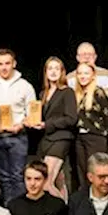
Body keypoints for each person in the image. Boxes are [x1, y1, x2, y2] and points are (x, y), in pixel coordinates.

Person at [0, 49, 35, 204]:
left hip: (17, 137)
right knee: (3, 178)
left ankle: (20, 211)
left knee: (18, 176)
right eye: (0, 64)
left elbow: (33, 113)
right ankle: (8, 210)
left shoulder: (25, 85)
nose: (4, 67)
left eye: (7, 63)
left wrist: (21, 124)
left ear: (14, 63)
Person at [34, 56, 78, 200]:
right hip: (46, 140)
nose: (53, 72)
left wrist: (48, 124)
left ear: (62, 72)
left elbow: (71, 119)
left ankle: (65, 214)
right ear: (45, 72)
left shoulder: (67, 92)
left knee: (46, 183)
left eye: (56, 69)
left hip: (61, 139)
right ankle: (64, 206)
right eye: (50, 68)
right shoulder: (43, 94)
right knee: (59, 182)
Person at [71, 63, 108, 191]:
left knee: (97, 172)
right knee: (83, 171)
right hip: (80, 137)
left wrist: (103, 134)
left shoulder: (98, 92)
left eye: (86, 73)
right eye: (80, 73)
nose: (83, 76)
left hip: (96, 137)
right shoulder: (77, 94)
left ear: (93, 75)